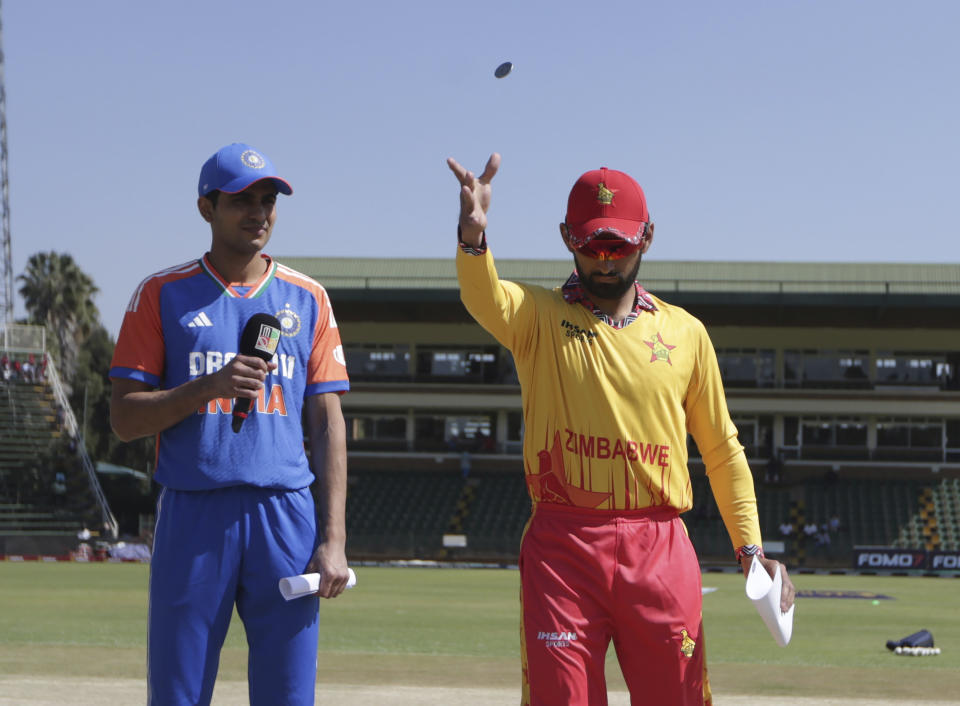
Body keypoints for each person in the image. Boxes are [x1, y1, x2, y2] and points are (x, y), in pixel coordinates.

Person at [447, 153, 795, 706]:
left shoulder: (686, 333)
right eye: (591, 246)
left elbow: (722, 451)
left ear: (648, 238)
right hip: (563, 547)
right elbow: (483, 296)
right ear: (566, 237)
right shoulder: (536, 317)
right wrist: (472, 239)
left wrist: (751, 548)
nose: (605, 262)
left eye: (619, 246)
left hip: (660, 547)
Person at [109, 142, 351, 706]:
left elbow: (328, 423)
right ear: (206, 208)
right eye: (242, 199)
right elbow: (123, 419)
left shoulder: (308, 297)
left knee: (289, 695)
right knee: (178, 693)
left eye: (268, 199)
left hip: (285, 515)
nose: (259, 212)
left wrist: (334, 539)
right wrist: (207, 388)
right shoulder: (160, 294)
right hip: (195, 512)